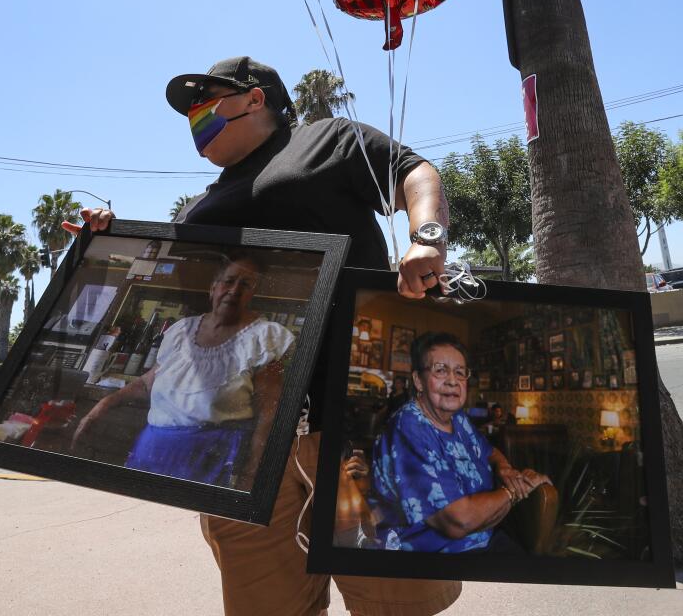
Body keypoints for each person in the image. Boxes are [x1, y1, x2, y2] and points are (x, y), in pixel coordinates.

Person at [64, 56, 455, 616]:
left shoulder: (327, 140)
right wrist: (107, 242)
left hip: (355, 426)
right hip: (242, 455)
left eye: (206, 97)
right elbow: (171, 291)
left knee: (397, 604)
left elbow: (413, 171)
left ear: (255, 99)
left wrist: (429, 238)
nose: (194, 115)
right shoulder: (202, 203)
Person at [71, 254, 291, 489]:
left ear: (252, 294)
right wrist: (102, 406)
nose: (235, 290)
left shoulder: (264, 338)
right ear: (213, 288)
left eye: (245, 284)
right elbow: (147, 383)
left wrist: (253, 472)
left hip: (210, 460)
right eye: (229, 281)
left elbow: (270, 414)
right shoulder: (181, 331)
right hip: (151, 450)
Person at [369, 332, 551, 553]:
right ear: (418, 381)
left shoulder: (458, 419)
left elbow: (489, 450)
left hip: (485, 538)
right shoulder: (407, 428)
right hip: (432, 558)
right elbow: (458, 522)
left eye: (460, 372)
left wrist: (506, 469)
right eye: (440, 370)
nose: (453, 381)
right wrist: (514, 491)